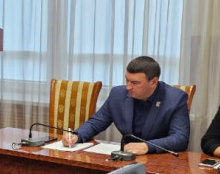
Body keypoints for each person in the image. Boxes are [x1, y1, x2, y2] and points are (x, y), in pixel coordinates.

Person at [62, 56, 190, 154]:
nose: (128, 87)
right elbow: (97, 122)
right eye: (127, 80)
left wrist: (148, 146)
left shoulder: (175, 98)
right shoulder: (118, 94)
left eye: (135, 83)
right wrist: (77, 135)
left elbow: (180, 138)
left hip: (159, 160)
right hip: (126, 157)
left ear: (153, 82)